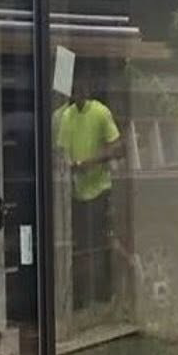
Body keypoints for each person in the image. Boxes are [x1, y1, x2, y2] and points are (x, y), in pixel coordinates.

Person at [54, 71, 124, 306]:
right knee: (81, 245)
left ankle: (103, 294)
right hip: (76, 191)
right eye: (74, 90)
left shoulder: (101, 112)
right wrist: (69, 166)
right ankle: (84, 296)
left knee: (96, 242)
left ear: (89, 88)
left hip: (99, 189)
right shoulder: (66, 116)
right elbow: (61, 151)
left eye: (81, 88)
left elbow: (116, 147)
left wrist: (91, 162)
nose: (78, 93)